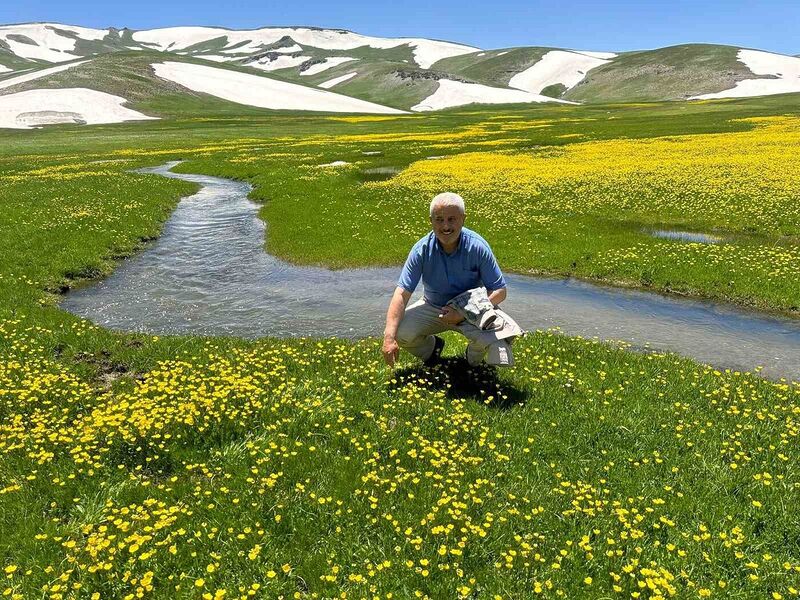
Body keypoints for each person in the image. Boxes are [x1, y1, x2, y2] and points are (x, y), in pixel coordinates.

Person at [382, 192, 518, 368]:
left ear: (463, 219)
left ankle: (471, 360)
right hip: (433, 306)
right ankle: (432, 350)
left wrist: (464, 313)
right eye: (439, 219)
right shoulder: (421, 250)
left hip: (472, 308)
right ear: (430, 221)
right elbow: (402, 294)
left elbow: (499, 290)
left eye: (452, 219)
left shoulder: (478, 246)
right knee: (400, 332)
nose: (445, 226)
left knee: (499, 337)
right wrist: (389, 337)